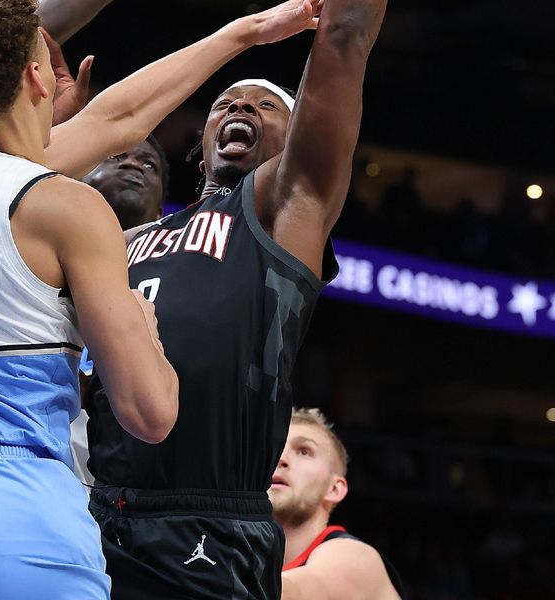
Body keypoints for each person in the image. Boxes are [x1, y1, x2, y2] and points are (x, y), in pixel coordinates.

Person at [0, 0, 325, 597]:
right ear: (38, 77)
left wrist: (244, 34)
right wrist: (142, 327)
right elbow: (151, 414)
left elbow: (115, 117)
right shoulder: (68, 206)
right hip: (5, 502)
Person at [85, 0, 388, 597]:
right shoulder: (123, 240)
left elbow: (347, 37)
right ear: (199, 143)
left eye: (266, 104)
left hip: (204, 519)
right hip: (88, 509)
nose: (241, 105)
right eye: (224, 103)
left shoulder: (280, 211)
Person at [73, 134, 169, 485]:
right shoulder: (35, 241)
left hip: (126, 459)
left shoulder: (179, 267)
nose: (132, 165)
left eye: (149, 165)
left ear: (161, 211)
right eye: (116, 155)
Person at [271, 408, 403, 599]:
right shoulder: (252, 560)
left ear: (335, 489)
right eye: (274, 449)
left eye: (304, 452)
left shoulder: (355, 557)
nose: (280, 459)